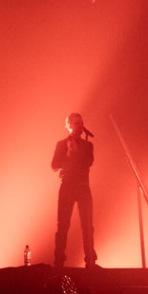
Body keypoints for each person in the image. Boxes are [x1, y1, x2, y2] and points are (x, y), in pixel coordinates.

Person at [51, 113, 97, 268]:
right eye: (76, 123)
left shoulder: (87, 145)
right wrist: (68, 155)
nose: (80, 125)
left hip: (83, 187)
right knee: (63, 224)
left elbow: (88, 162)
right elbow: (54, 165)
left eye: (81, 122)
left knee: (87, 224)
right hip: (67, 187)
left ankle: (90, 260)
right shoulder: (61, 144)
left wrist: (74, 154)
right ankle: (59, 260)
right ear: (69, 125)